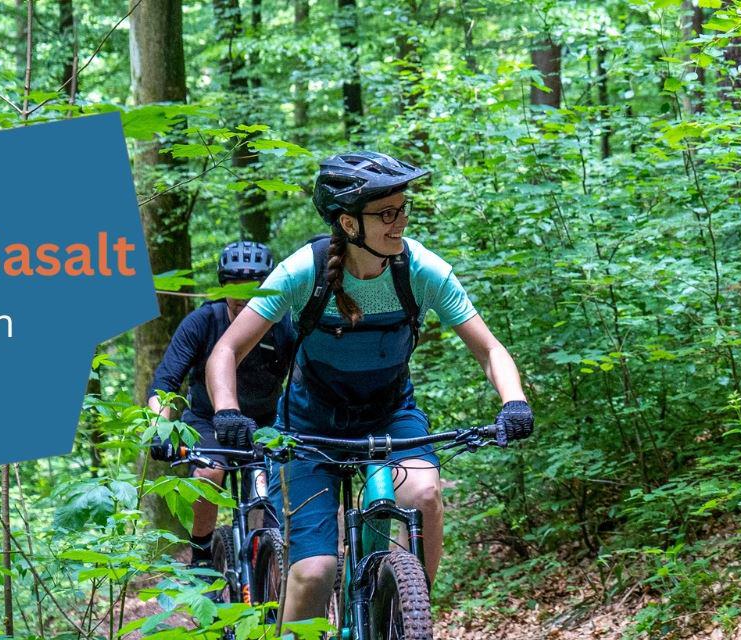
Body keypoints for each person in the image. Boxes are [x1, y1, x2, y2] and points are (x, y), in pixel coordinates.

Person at [204, 151, 533, 622]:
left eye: (403, 209)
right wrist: (227, 411)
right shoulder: (303, 272)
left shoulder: (421, 270)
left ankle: (405, 616)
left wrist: (514, 401)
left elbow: (490, 350)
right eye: (386, 213)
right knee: (316, 572)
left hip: (391, 414)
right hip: (309, 426)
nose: (400, 222)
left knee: (423, 495)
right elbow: (226, 351)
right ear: (349, 223)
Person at [147, 240, 298, 568]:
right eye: (236, 286)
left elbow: (305, 380)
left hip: (263, 423)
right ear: (223, 285)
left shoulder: (283, 327)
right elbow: (165, 382)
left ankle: (267, 567)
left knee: (267, 492)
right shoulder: (202, 322)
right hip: (206, 421)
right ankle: (201, 555)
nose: (244, 296)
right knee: (209, 472)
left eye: (254, 287)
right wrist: (160, 427)